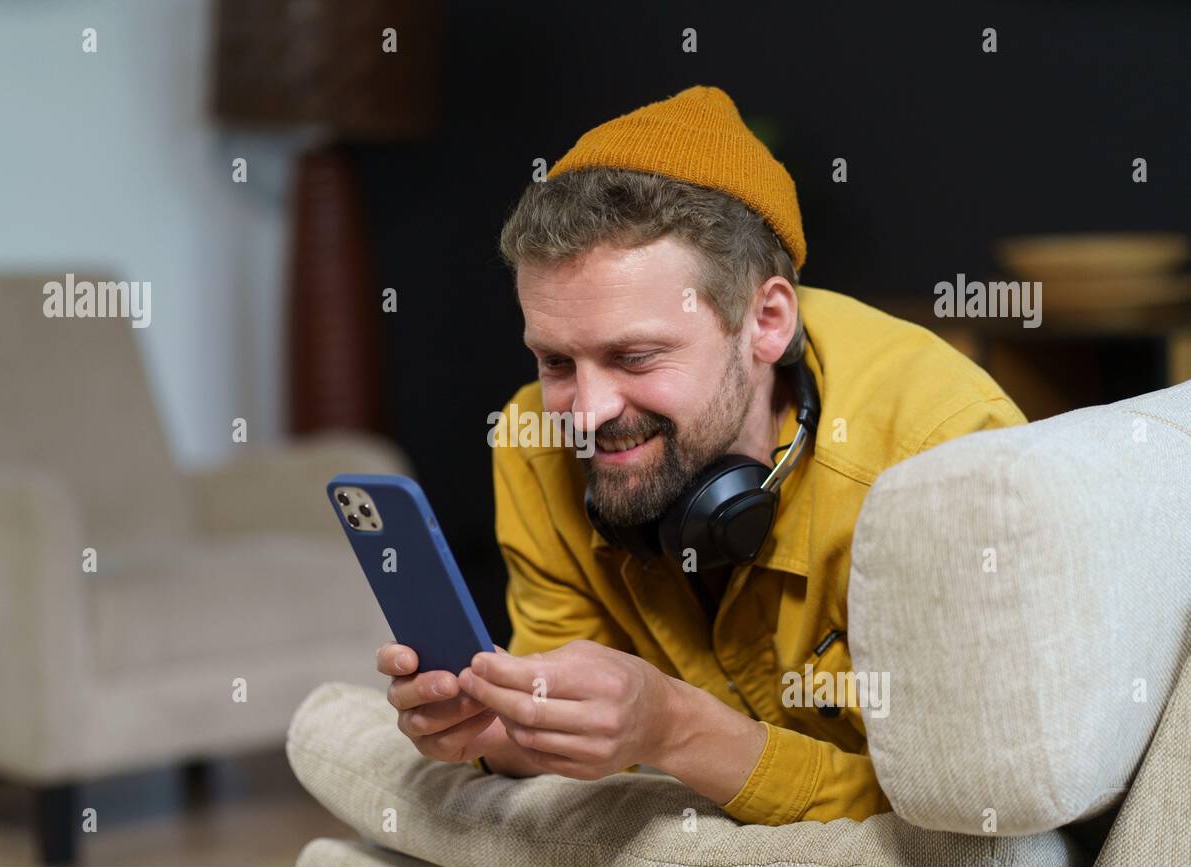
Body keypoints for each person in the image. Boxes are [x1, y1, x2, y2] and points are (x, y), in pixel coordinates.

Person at [377, 85, 1026, 826]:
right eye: (556, 362)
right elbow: (570, 716)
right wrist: (508, 733)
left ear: (767, 322)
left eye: (637, 356)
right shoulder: (533, 438)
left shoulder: (941, 463)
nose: (585, 414)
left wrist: (676, 727)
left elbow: (972, 813)